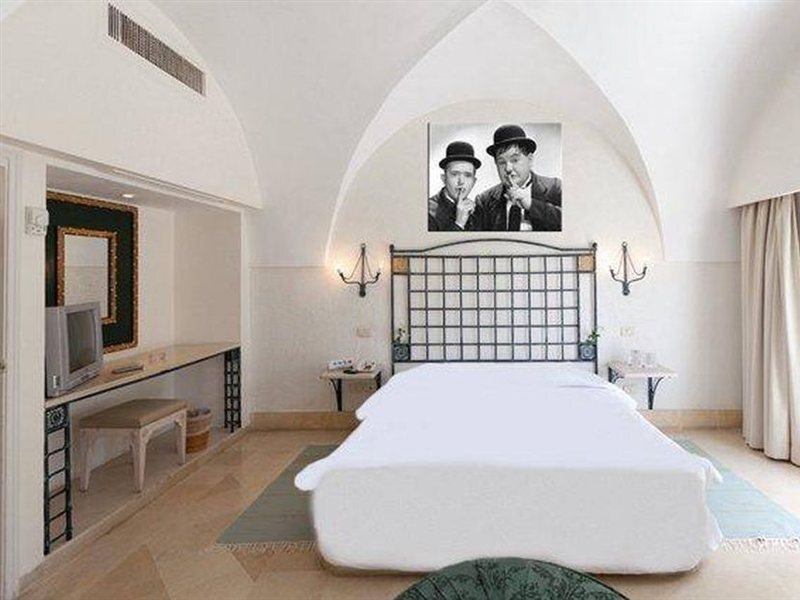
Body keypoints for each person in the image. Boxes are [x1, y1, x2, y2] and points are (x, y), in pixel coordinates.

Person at [473, 124, 561, 231]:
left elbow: (572, 222)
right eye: (501, 162)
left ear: (530, 159)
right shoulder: (484, 201)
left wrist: (531, 204)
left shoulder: (555, 188)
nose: (508, 169)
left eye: (515, 160)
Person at [428, 141, 481, 231]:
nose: (461, 181)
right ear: (444, 178)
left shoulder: (477, 212)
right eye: (454, 174)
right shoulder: (427, 212)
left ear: (474, 182)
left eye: (467, 175)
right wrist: (459, 224)